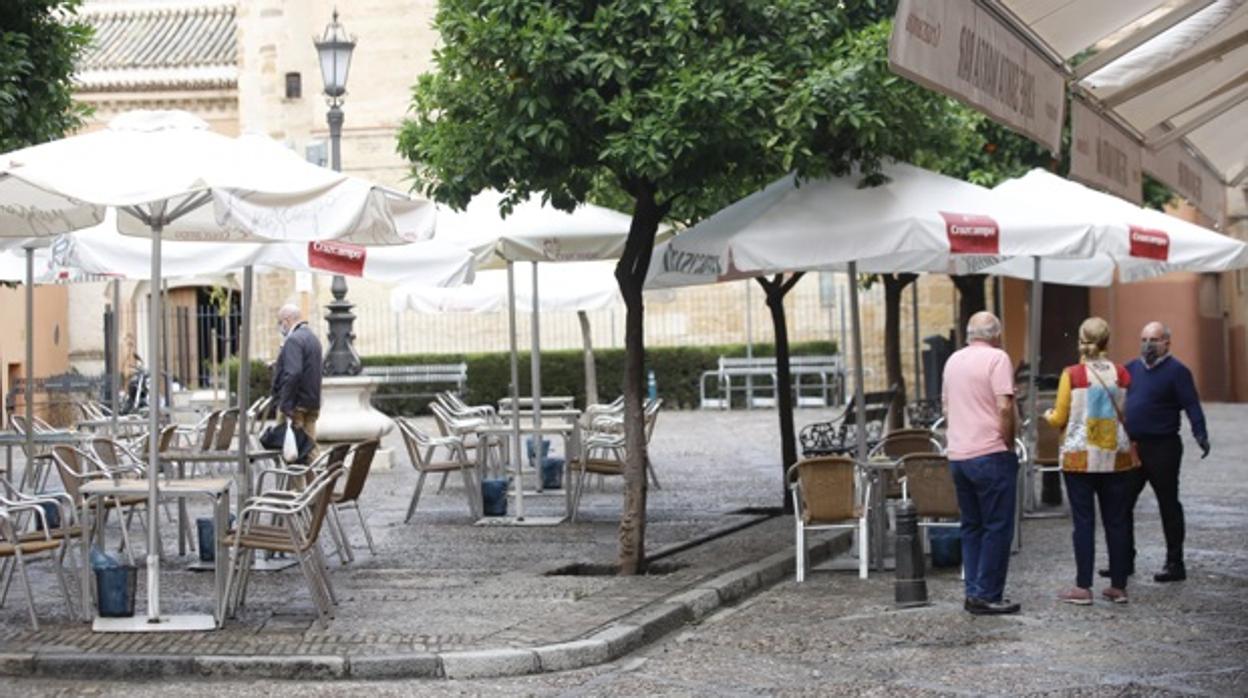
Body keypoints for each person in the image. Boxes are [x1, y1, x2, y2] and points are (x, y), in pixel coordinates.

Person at [1044, 318, 1137, 605]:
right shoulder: (1122, 374)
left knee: (1083, 523)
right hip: (1115, 458)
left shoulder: (1071, 374)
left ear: (1080, 341)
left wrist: (1048, 416)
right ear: (1108, 341)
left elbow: (1059, 417)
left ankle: (1083, 587)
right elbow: (1126, 413)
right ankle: (1118, 586)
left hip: (1079, 460)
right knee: (1117, 522)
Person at [1116, 321, 1208, 583]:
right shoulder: (1131, 369)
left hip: (1163, 447)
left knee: (1168, 504)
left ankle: (1174, 563)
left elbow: (1191, 404)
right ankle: (1124, 560)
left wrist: (1200, 433)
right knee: (1122, 504)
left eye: (1153, 339)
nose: (1147, 345)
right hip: (1133, 447)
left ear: (1167, 342)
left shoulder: (1177, 372)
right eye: (1144, 339)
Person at [942, 311, 1020, 615]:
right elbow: (1004, 407)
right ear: (996, 334)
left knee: (971, 526)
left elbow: (946, 408)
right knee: (997, 526)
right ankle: (988, 593)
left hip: (959, 455)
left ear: (968, 334)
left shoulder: (952, 361)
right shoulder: (998, 359)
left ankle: (973, 590)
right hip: (990, 452)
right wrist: (1008, 442)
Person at [271, 303, 323, 459]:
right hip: (312, 403)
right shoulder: (313, 338)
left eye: (280, 322)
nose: (281, 327)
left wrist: (285, 405)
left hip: (296, 405)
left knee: (292, 452)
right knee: (310, 450)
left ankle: (297, 484)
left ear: (287, 320)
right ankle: (316, 483)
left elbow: (293, 373)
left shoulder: (293, 340)